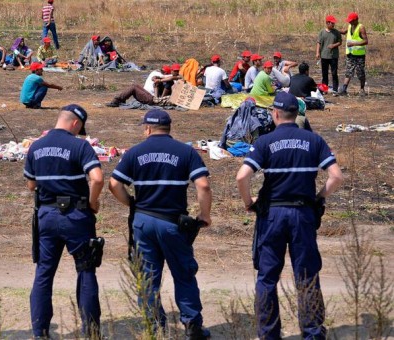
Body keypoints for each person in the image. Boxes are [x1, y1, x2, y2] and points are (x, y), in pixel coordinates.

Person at [236, 91, 343, 340]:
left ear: (275, 113)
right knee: (306, 275)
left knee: (267, 277)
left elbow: (242, 176)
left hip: (272, 215)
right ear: (297, 115)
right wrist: (318, 197)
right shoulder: (314, 140)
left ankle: (269, 334)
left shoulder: (265, 142)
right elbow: (336, 176)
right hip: (303, 214)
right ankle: (313, 333)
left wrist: (248, 202)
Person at [108, 109, 212, 339]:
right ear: (169, 127)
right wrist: (205, 215)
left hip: (143, 222)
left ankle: (154, 325)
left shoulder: (135, 153)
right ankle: (192, 325)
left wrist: (132, 204)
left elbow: (114, 184)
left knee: (148, 276)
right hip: (173, 223)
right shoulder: (186, 152)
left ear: (147, 128)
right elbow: (202, 185)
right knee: (183, 274)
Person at [24, 104, 103, 339]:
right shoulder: (80, 146)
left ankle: (40, 332)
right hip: (76, 215)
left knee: (44, 273)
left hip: (47, 215)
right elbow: (97, 178)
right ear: (75, 124)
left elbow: (31, 185)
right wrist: (92, 202)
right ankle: (90, 331)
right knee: (86, 271)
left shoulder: (36, 147)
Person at [338, 12, 368, 96]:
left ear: (356, 20)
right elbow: (344, 32)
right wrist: (334, 30)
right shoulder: (350, 25)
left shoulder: (361, 27)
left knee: (360, 72)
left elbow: (366, 41)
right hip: (350, 53)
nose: (349, 22)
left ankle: (362, 89)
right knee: (348, 71)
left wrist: (354, 44)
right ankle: (344, 89)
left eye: (351, 21)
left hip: (359, 55)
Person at [316, 15, 342, 94]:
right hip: (324, 56)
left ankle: (335, 90)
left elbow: (340, 42)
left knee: (334, 73)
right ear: (327, 23)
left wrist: (333, 45)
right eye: (332, 23)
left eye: (334, 23)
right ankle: (324, 89)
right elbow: (318, 43)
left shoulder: (336, 32)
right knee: (324, 73)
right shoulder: (322, 32)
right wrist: (317, 52)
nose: (333, 24)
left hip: (333, 56)